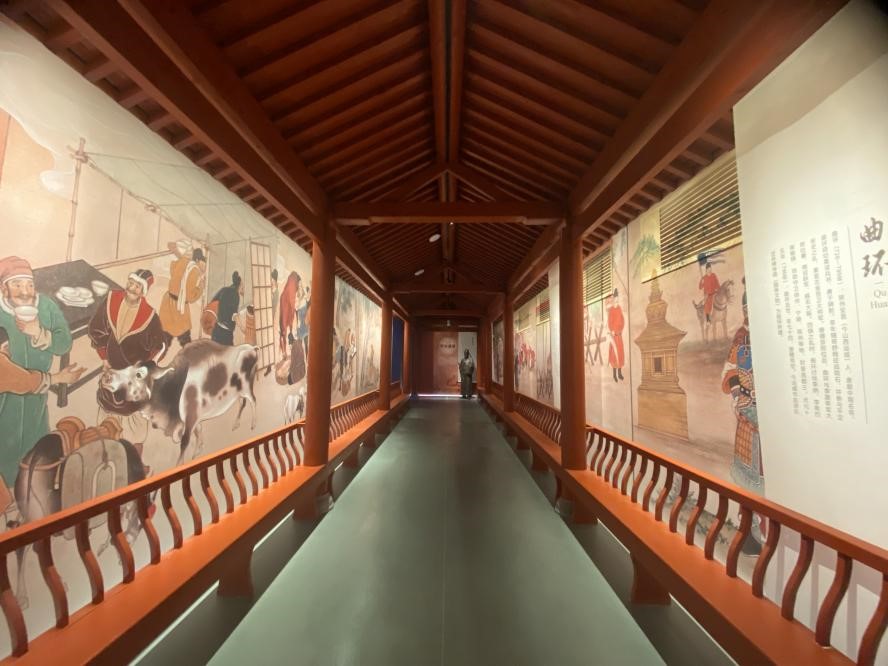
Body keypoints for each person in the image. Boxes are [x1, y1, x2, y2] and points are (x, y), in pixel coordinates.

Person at [0, 256, 74, 486]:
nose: (25, 292)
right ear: (4, 288)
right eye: (17, 284)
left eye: (29, 285)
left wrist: (40, 334)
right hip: (5, 398)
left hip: (37, 397)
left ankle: (31, 485)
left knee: (36, 445)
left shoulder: (46, 306)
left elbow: (65, 343)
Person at [721, 281, 765, 554]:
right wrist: (739, 395)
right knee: (749, 474)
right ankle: (749, 529)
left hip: (768, 413)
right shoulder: (741, 337)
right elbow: (730, 370)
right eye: (747, 309)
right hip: (748, 407)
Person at [88, 269, 165, 369]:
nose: (131, 288)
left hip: (133, 368)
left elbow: (159, 347)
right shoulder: (111, 299)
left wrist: (144, 367)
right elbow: (96, 329)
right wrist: (104, 357)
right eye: (130, 283)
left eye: (137, 286)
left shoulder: (150, 316)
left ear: (143, 292)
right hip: (110, 360)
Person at [158, 241, 206, 354]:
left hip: (168, 301)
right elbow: (190, 296)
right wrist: (200, 288)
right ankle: (191, 356)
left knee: (165, 335)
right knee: (184, 337)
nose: (204, 266)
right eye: (203, 263)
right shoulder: (194, 271)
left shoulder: (184, 261)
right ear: (198, 260)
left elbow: (173, 269)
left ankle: (158, 354)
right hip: (179, 307)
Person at [211, 271, 243, 346]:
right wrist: (242, 327)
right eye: (242, 285)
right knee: (228, 352)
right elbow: (234, 315)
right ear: (239, 285)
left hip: (216, 330)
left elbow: (213, 302)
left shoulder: (224, 289)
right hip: (226, 334)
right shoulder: (236, 296)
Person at [606, 289, 625, 382]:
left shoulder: (619, 308)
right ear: (613, 299)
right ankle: (614, 374)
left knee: (620, 353)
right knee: (614, 354)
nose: (616, 300)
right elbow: (609, 322)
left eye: (617, 299)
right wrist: (612, 330)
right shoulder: (611, 310)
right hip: (614, 336)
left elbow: (622, 319)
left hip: (619, 335)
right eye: (615, 299)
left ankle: (619, 373)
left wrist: (621, 329)